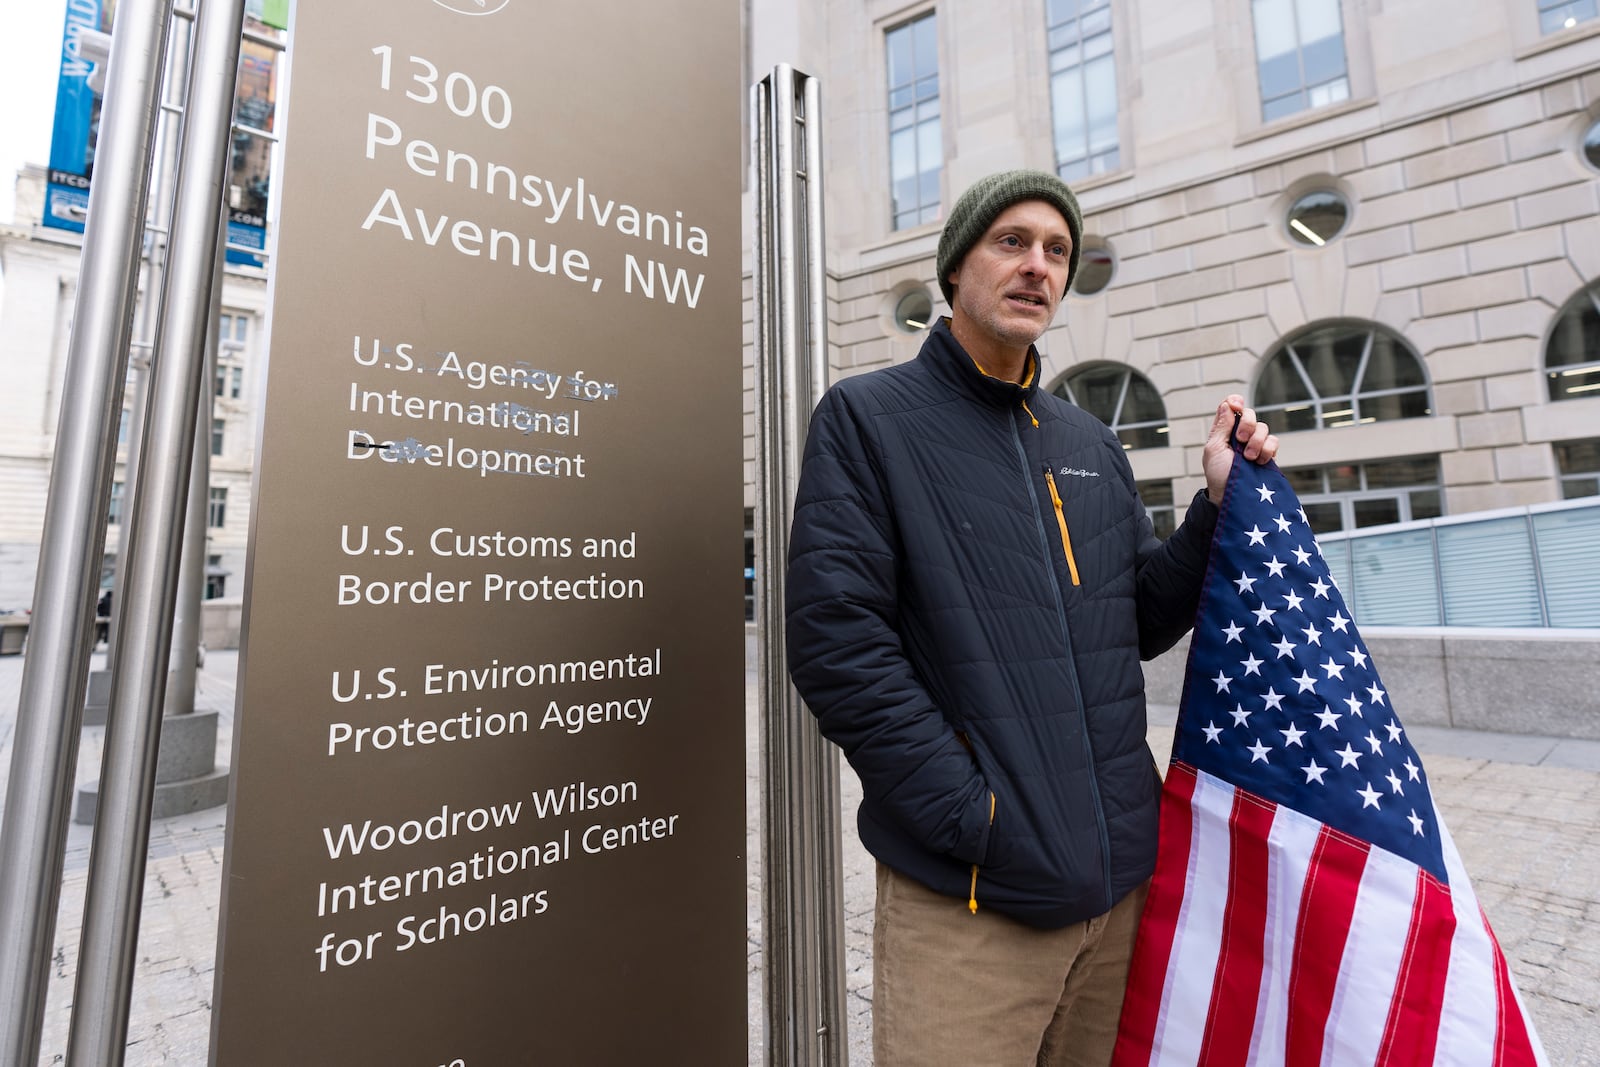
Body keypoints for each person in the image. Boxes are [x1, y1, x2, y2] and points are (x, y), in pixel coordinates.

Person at [785, 170, 1279, 1066]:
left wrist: (1214, 506)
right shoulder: (869, 419)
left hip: (1118, 894)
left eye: (1057, 251)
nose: (1037, 267)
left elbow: (1140, 619)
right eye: (1011, 242)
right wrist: (978, 817)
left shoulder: (1086, 439)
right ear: (956, 268)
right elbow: (837, 644)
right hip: (973, 903)